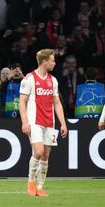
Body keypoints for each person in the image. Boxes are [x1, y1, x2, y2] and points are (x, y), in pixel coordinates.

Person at [19, 49, 68, 197]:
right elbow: (22, 101)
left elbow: (57, 103)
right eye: (52, 60)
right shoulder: (29, 79)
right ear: (44, 61)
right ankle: (31, 183)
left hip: (49, 123)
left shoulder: (53, 80)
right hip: (34, 122)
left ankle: (40, 187)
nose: (54, 63)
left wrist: (63, 123)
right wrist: (24, 122)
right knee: (38, 152)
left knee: (46, 155)